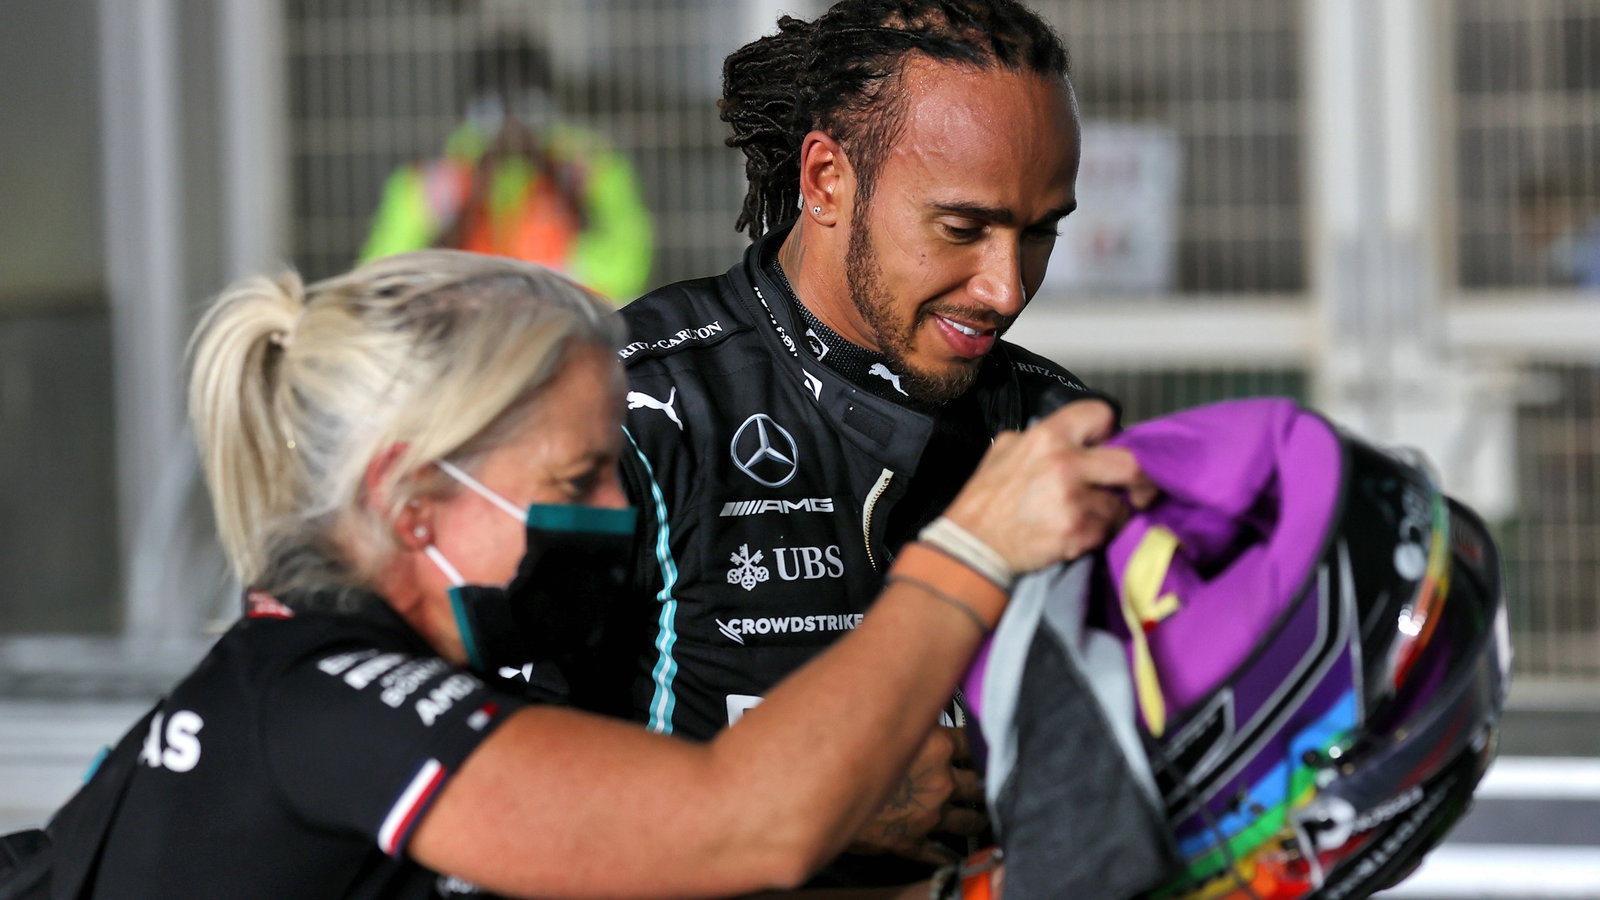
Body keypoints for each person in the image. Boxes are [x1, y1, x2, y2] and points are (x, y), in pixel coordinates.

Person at [16, 251, 1146, 899]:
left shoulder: (333, 677)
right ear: (414, 501)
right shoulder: (325, 701)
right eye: (581, 473)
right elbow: (742, 821)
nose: (618, 511)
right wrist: (971, 551)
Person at [613, 0, 1126, 882]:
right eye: (962, 229)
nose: (1006, 289)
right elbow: (473, 795)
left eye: (1040, 232)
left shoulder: (1052, 430)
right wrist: (811, 795)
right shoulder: (633, 407)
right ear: (825, 181)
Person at [361, 33, 653, 301]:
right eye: (498, 106)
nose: (513, 121)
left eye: (527, 103)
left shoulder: (590, 165)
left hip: (570, 334)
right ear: (475, 107)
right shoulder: (433, 180)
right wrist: (473, 195)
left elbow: (627, 272)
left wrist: (557, 181)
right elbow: (386, 282)